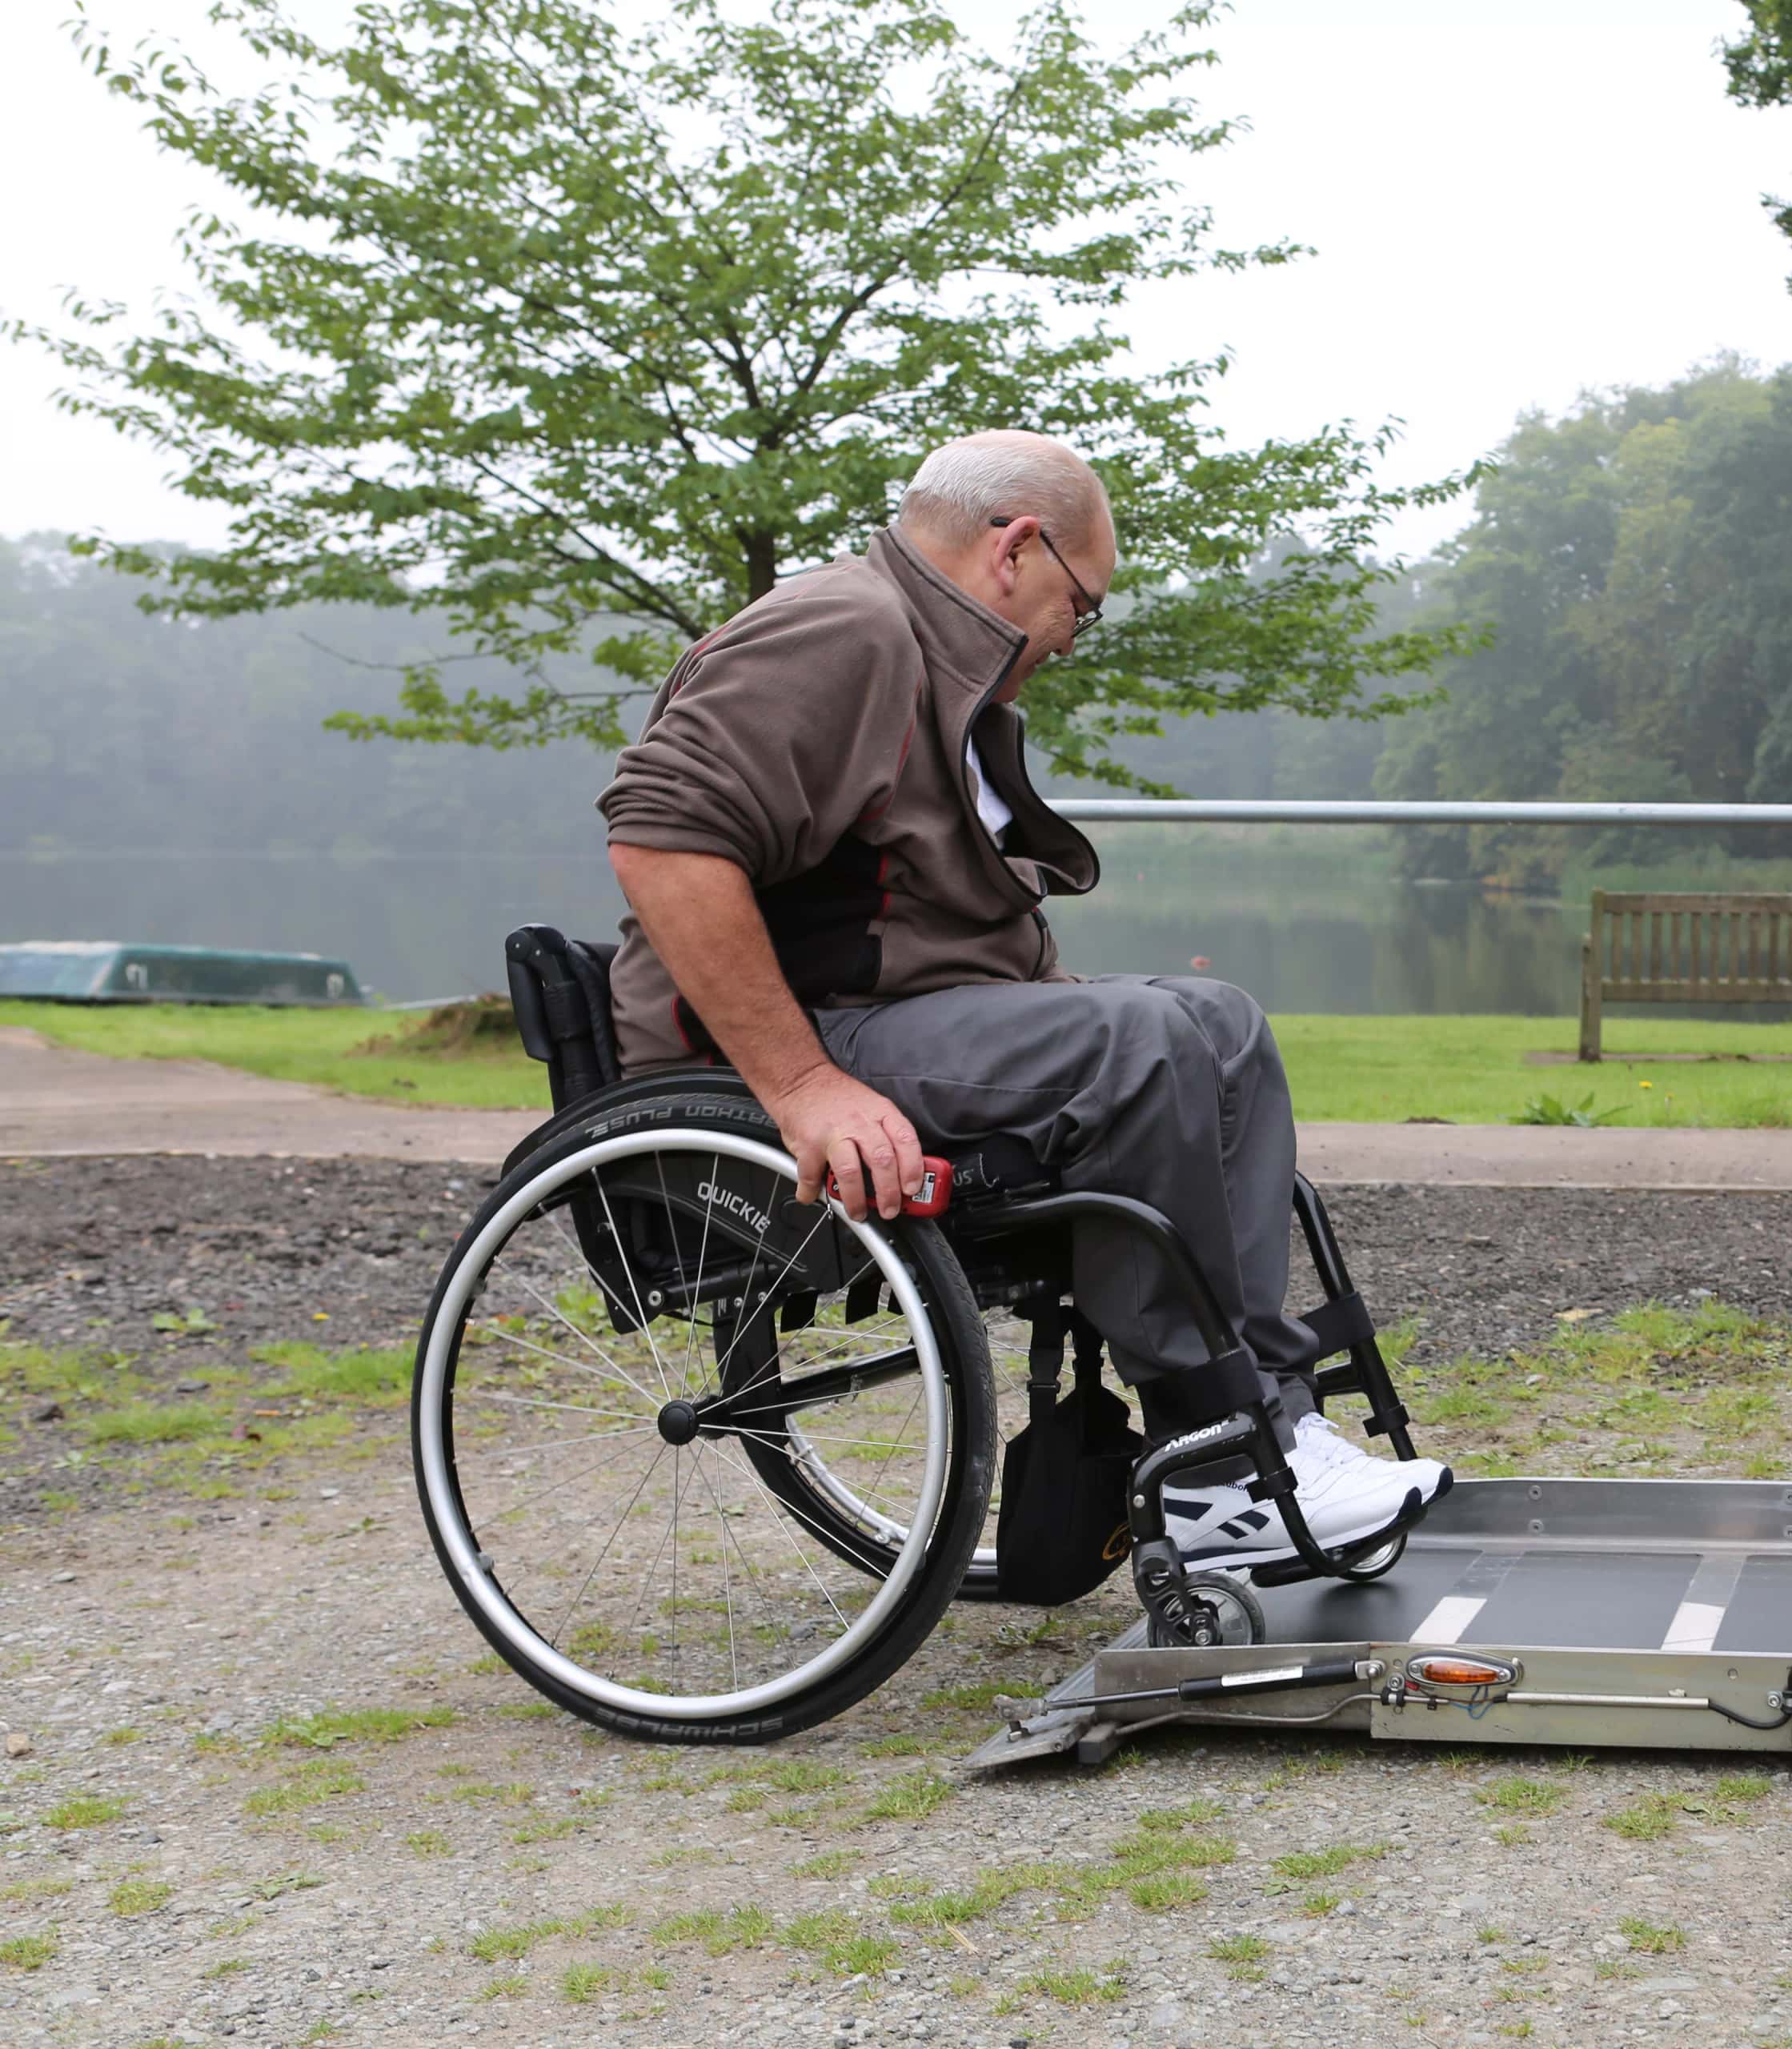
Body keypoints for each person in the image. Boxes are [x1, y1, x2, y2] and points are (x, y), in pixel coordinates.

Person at [595, 429, 1447, 1569]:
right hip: (767, 1057)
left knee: (1219, 1024)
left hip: (886, 1020)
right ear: (1017, 549)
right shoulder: (842, 628)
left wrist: (1060, 1009)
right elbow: (660, 838)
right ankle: (1217, 1467)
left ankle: (1269, 1424)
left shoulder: (939, 665)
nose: (1071, 639)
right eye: (1081, 607)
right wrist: (801, 1087)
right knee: (1141, 1041)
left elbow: (915, 915)